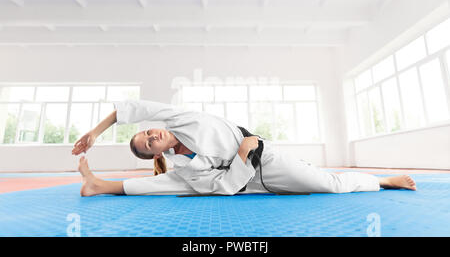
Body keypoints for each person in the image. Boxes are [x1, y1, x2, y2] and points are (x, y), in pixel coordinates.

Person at [72, 100, 417, 197]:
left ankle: (382, 181)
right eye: (148, 145)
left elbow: (131, 109)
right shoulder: (183, 167)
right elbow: (223, 187)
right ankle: (100, 186)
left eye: (147, 133)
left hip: (266, 159)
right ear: (156, 155)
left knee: (327, 184)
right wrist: (238, 157)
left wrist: (94, 132)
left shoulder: (178, 117)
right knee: (177, 185)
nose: (150, 137)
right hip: (247, 180)